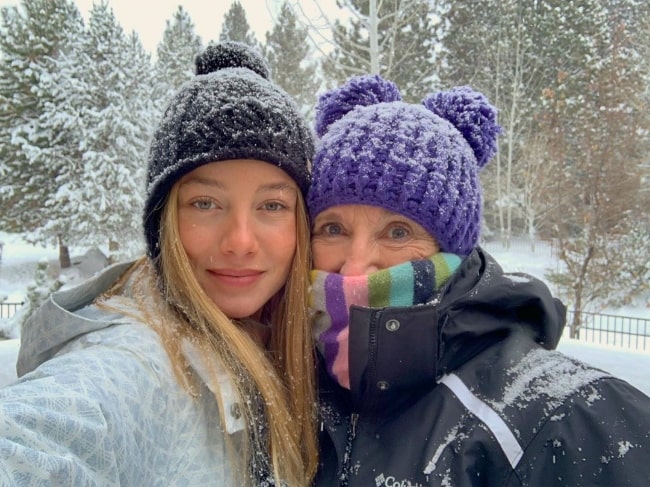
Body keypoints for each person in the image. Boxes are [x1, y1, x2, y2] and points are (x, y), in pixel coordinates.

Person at [306, 74, 650, 486]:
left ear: (454, 249)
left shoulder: (572, 419)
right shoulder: (286, 381)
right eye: (332, 229)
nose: (355, 267)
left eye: (398, 232)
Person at [0, 41, 317, 486]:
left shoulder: (313, 343)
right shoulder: (137, 362)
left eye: (272, 206)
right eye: (205, 203)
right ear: (164, 222)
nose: (240, 242)